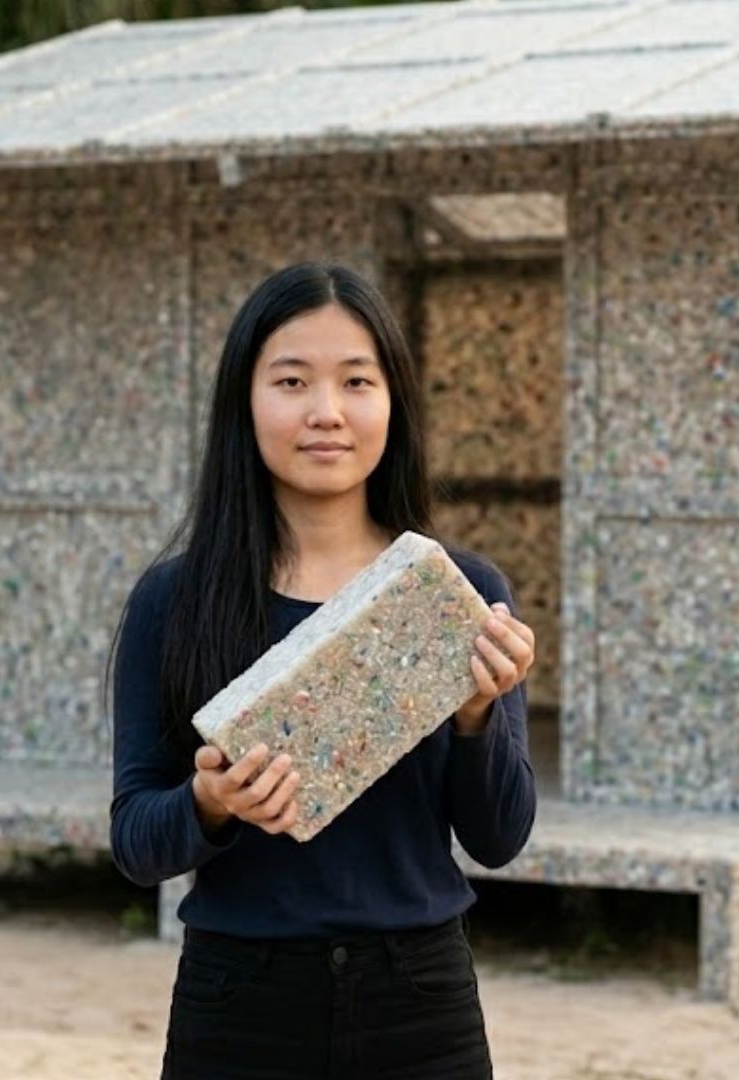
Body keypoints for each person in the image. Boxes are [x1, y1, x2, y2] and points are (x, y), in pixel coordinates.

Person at [106, 262, 537, 1080]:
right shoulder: (176, 600)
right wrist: (210, 804)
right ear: (245, 401)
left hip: (423, 1011)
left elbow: (500, 836)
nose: (326, 412)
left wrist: (478, 716)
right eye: (292, 380)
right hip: (237, 1008)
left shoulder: (461, 594)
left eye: (356, 382)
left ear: (394, 402)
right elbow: (135, 840)